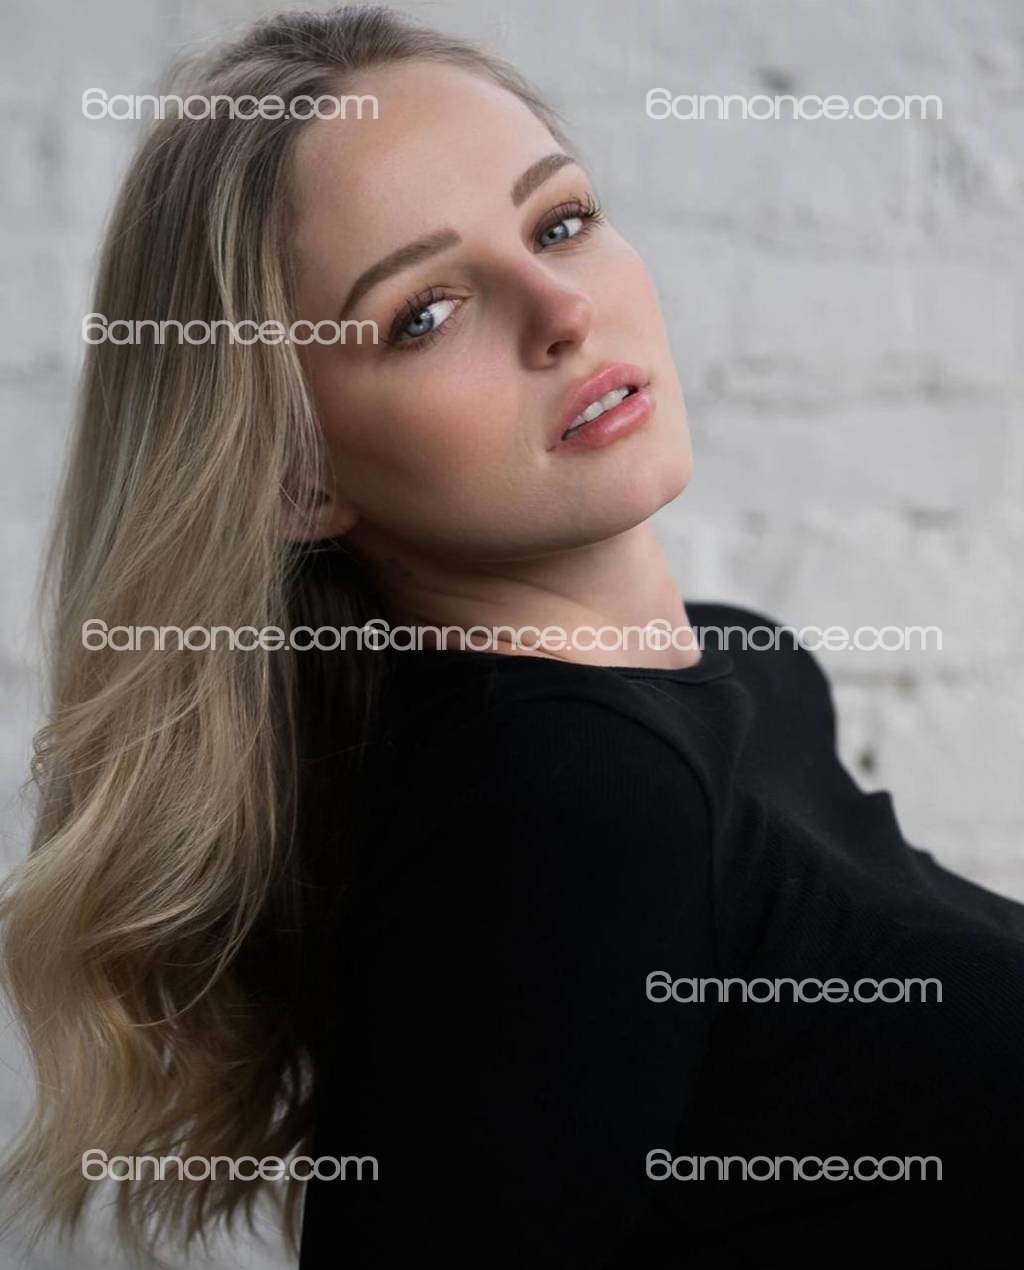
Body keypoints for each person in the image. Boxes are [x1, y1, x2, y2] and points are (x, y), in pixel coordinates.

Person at [1, 6, 1020, 1269]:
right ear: (295, 479)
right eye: (423, 313)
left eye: (560, 222)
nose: (559, 309)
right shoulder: (569, 801)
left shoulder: (739, 676)